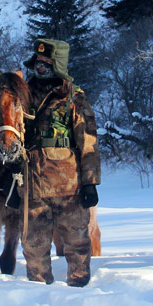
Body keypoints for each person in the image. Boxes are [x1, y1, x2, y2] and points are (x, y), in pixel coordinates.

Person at [22, 38, 101, 287]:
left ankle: (79, 293)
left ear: (57, 64)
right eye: (38, 61)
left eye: (47, 62)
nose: (41, 67)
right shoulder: (22, 94)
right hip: (32, 183)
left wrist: (90, 184)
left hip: (69, 186)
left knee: (77, 243)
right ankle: (37, 295)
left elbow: (88, 142)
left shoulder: (74, 97)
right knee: (34, 246)